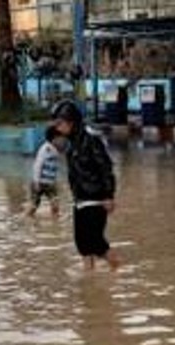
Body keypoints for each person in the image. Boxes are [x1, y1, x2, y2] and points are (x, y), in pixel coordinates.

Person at [52, 100, 120, 271]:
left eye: (60, 123)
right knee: (81, 242)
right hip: (80, 198)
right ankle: (89, 277)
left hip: (96, 198)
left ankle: (117, 269)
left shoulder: (91, 139)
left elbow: (106, 168)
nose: (57, 127)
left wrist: (109, 196)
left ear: (71, 121)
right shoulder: (71, 142)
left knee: (96, 242)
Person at [29, 125, 63, 217]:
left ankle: (55, 224)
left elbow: (54, 168)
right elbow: (37, 165)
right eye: (60, 138)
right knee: (34, 206)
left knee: (55, 205)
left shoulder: (56, 150)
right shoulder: (45, 148)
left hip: (50, 184)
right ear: (54, 138)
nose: (62, 140)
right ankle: (28, 219)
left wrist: (55, 181)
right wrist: (36, 182)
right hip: (39, 182)